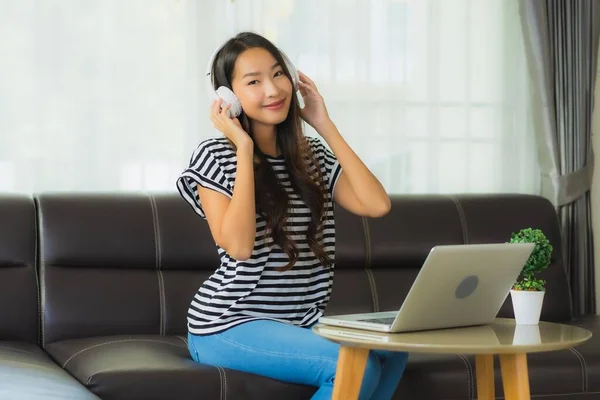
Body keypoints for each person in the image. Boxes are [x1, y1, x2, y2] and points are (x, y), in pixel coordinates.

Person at [176, 31, 409, 400]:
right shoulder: (215, 156)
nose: (273, 90)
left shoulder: (310, 154)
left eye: (278, 74)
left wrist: (324, 124)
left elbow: (376, 204)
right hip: (228, 324)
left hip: (301, 322)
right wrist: (244, 149)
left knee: (392, 349)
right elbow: (237, 246)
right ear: (229, 98)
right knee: (356, 365)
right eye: (253, 81)